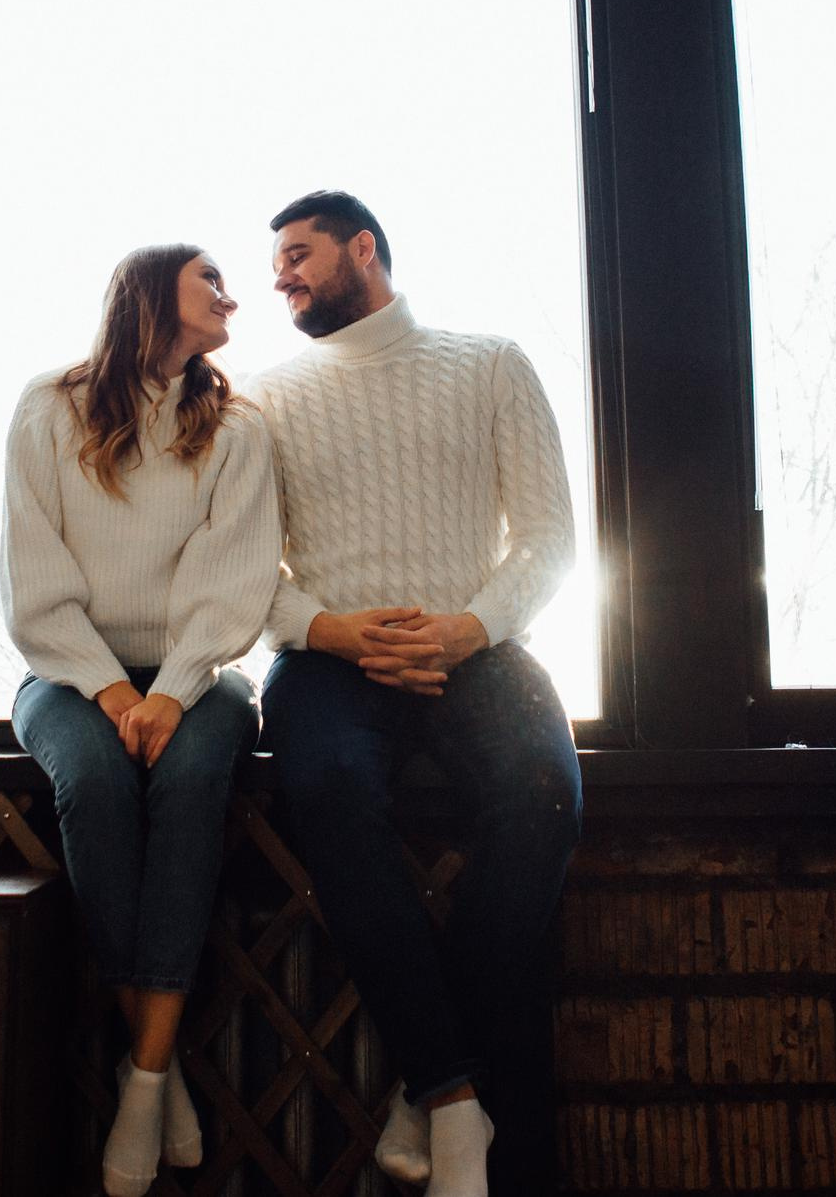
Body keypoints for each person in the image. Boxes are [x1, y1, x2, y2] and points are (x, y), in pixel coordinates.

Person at [252, 190, 582, 1197]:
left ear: (364, 249)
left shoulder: (490, 363)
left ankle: (431, 1076)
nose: (281, 278)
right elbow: (246, 572)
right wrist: (336, 631)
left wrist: (469, 626)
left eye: (299, 255)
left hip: (475, 643)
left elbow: (549, 537)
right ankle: (451, 1092)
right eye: (275, 266)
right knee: (330, 791)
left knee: (542, 788)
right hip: (327, 659)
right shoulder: (264, 397)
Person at [2, 242, 281, 1197]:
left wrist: (172, 688)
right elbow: (35, 581)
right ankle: (155, 1070)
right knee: (92, 778)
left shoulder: (234, 426)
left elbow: (233, 578)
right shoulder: (48, 407)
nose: (231, 294)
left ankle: (144, 1076)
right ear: (152, 289)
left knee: (198, 776)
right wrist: (114, 691)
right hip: (68, 673)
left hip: (197, 677)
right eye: (211, 279)